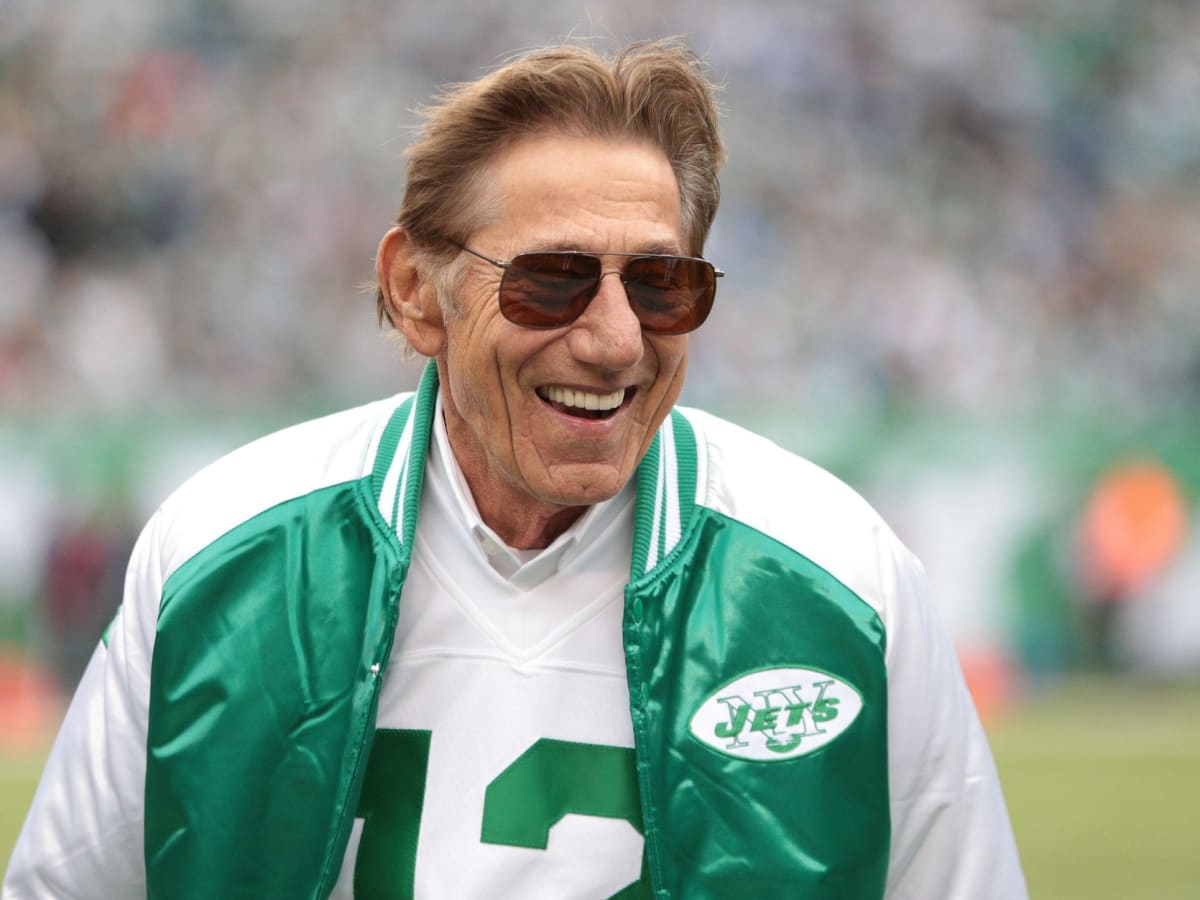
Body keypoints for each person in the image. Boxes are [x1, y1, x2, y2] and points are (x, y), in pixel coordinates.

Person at [3, 39, 1027, 899]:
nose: (619, 340)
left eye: (663, 285)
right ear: (417, 293)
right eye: (553, 280)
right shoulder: (222, 558)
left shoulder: (842, 583)